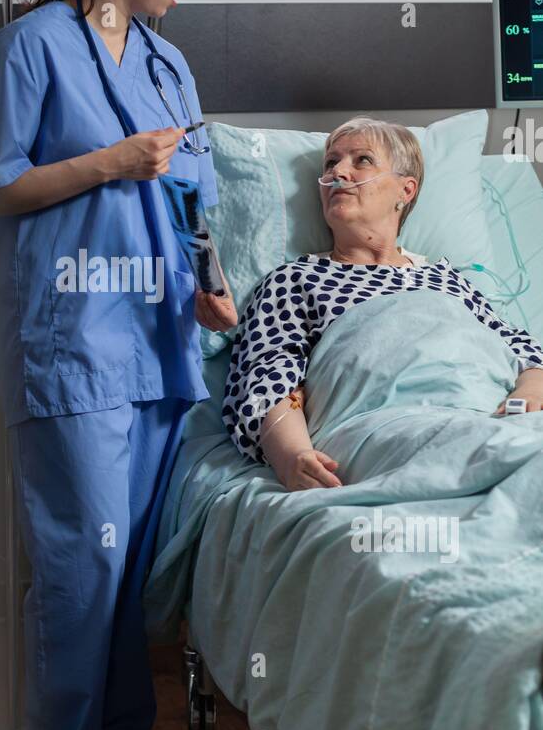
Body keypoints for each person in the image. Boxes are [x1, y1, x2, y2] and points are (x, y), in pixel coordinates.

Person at [0, 0, 237, 730]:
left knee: (131, 565)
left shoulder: (167, 64)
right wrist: (108, 163)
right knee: (81, 557)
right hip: (69, 337)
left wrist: (212, 283)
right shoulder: (27, 49)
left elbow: (194, 196)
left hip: (159, 340)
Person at [223, 117, 543, 490]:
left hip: (487, 413)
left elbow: (519, 348)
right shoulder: (295, 279)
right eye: (330, 163)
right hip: (381, 426)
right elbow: (268, 377)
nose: (338, 172)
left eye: (361, 161)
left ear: (405, 191)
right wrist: (291, 457)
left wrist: (530, 392)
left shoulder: (448, 280)